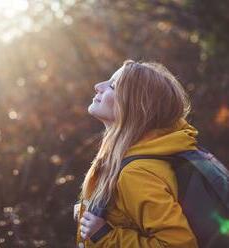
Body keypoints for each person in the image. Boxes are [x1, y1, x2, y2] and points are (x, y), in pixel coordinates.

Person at [75, 59, 199, 247]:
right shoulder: (146, 153)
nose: (98, 86)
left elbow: (179, 244)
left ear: (135, 106)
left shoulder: (136, 173)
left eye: (113, 86)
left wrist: (104, 236)